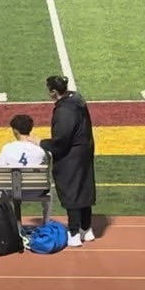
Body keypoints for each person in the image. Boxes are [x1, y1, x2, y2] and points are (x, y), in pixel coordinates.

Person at [40, 76, 98, 247]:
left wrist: (42, 143)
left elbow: (61, 140)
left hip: (71, 155)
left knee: (72, 190)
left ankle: (73, 233)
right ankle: (86, 229)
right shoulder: (77, 100)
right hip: (84, 151)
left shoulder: (64, 111)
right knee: (84, 188)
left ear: (54, 92)